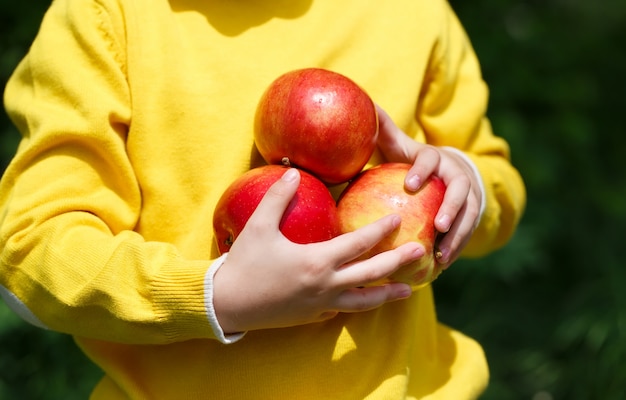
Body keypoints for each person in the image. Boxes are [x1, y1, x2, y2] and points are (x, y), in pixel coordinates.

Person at [0, 0, 526, 398]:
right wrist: (216, 295)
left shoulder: (414, 13)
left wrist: (467, 187)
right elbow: (30, 254)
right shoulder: (107, 15)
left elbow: (495, 175)